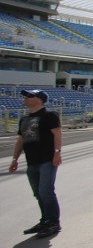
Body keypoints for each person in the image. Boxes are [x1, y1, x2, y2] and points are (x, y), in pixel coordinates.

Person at [8, 89, 63, 238]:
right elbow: (20, 140)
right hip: (32, 162)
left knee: (46, 191)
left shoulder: (50, 116)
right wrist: (15, 159)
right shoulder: (24, 119)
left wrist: (57, 152)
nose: (26, 98)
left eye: (30, 96)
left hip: (47, 160)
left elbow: (57, 133)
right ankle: (45, 220)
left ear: (40, 99)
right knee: (38, 193)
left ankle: (53, 223)